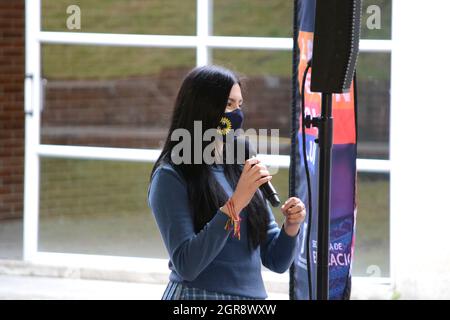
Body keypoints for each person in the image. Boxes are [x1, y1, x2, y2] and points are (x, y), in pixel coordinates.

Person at [147, 65, 306, 300]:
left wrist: (291, 226)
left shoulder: (240, 166)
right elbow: (187, 265)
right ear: (202, 108)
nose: (237, 114)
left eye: (239, 105)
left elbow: (276, 261)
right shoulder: (171, 176)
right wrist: (236, 203)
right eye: (229, 104)